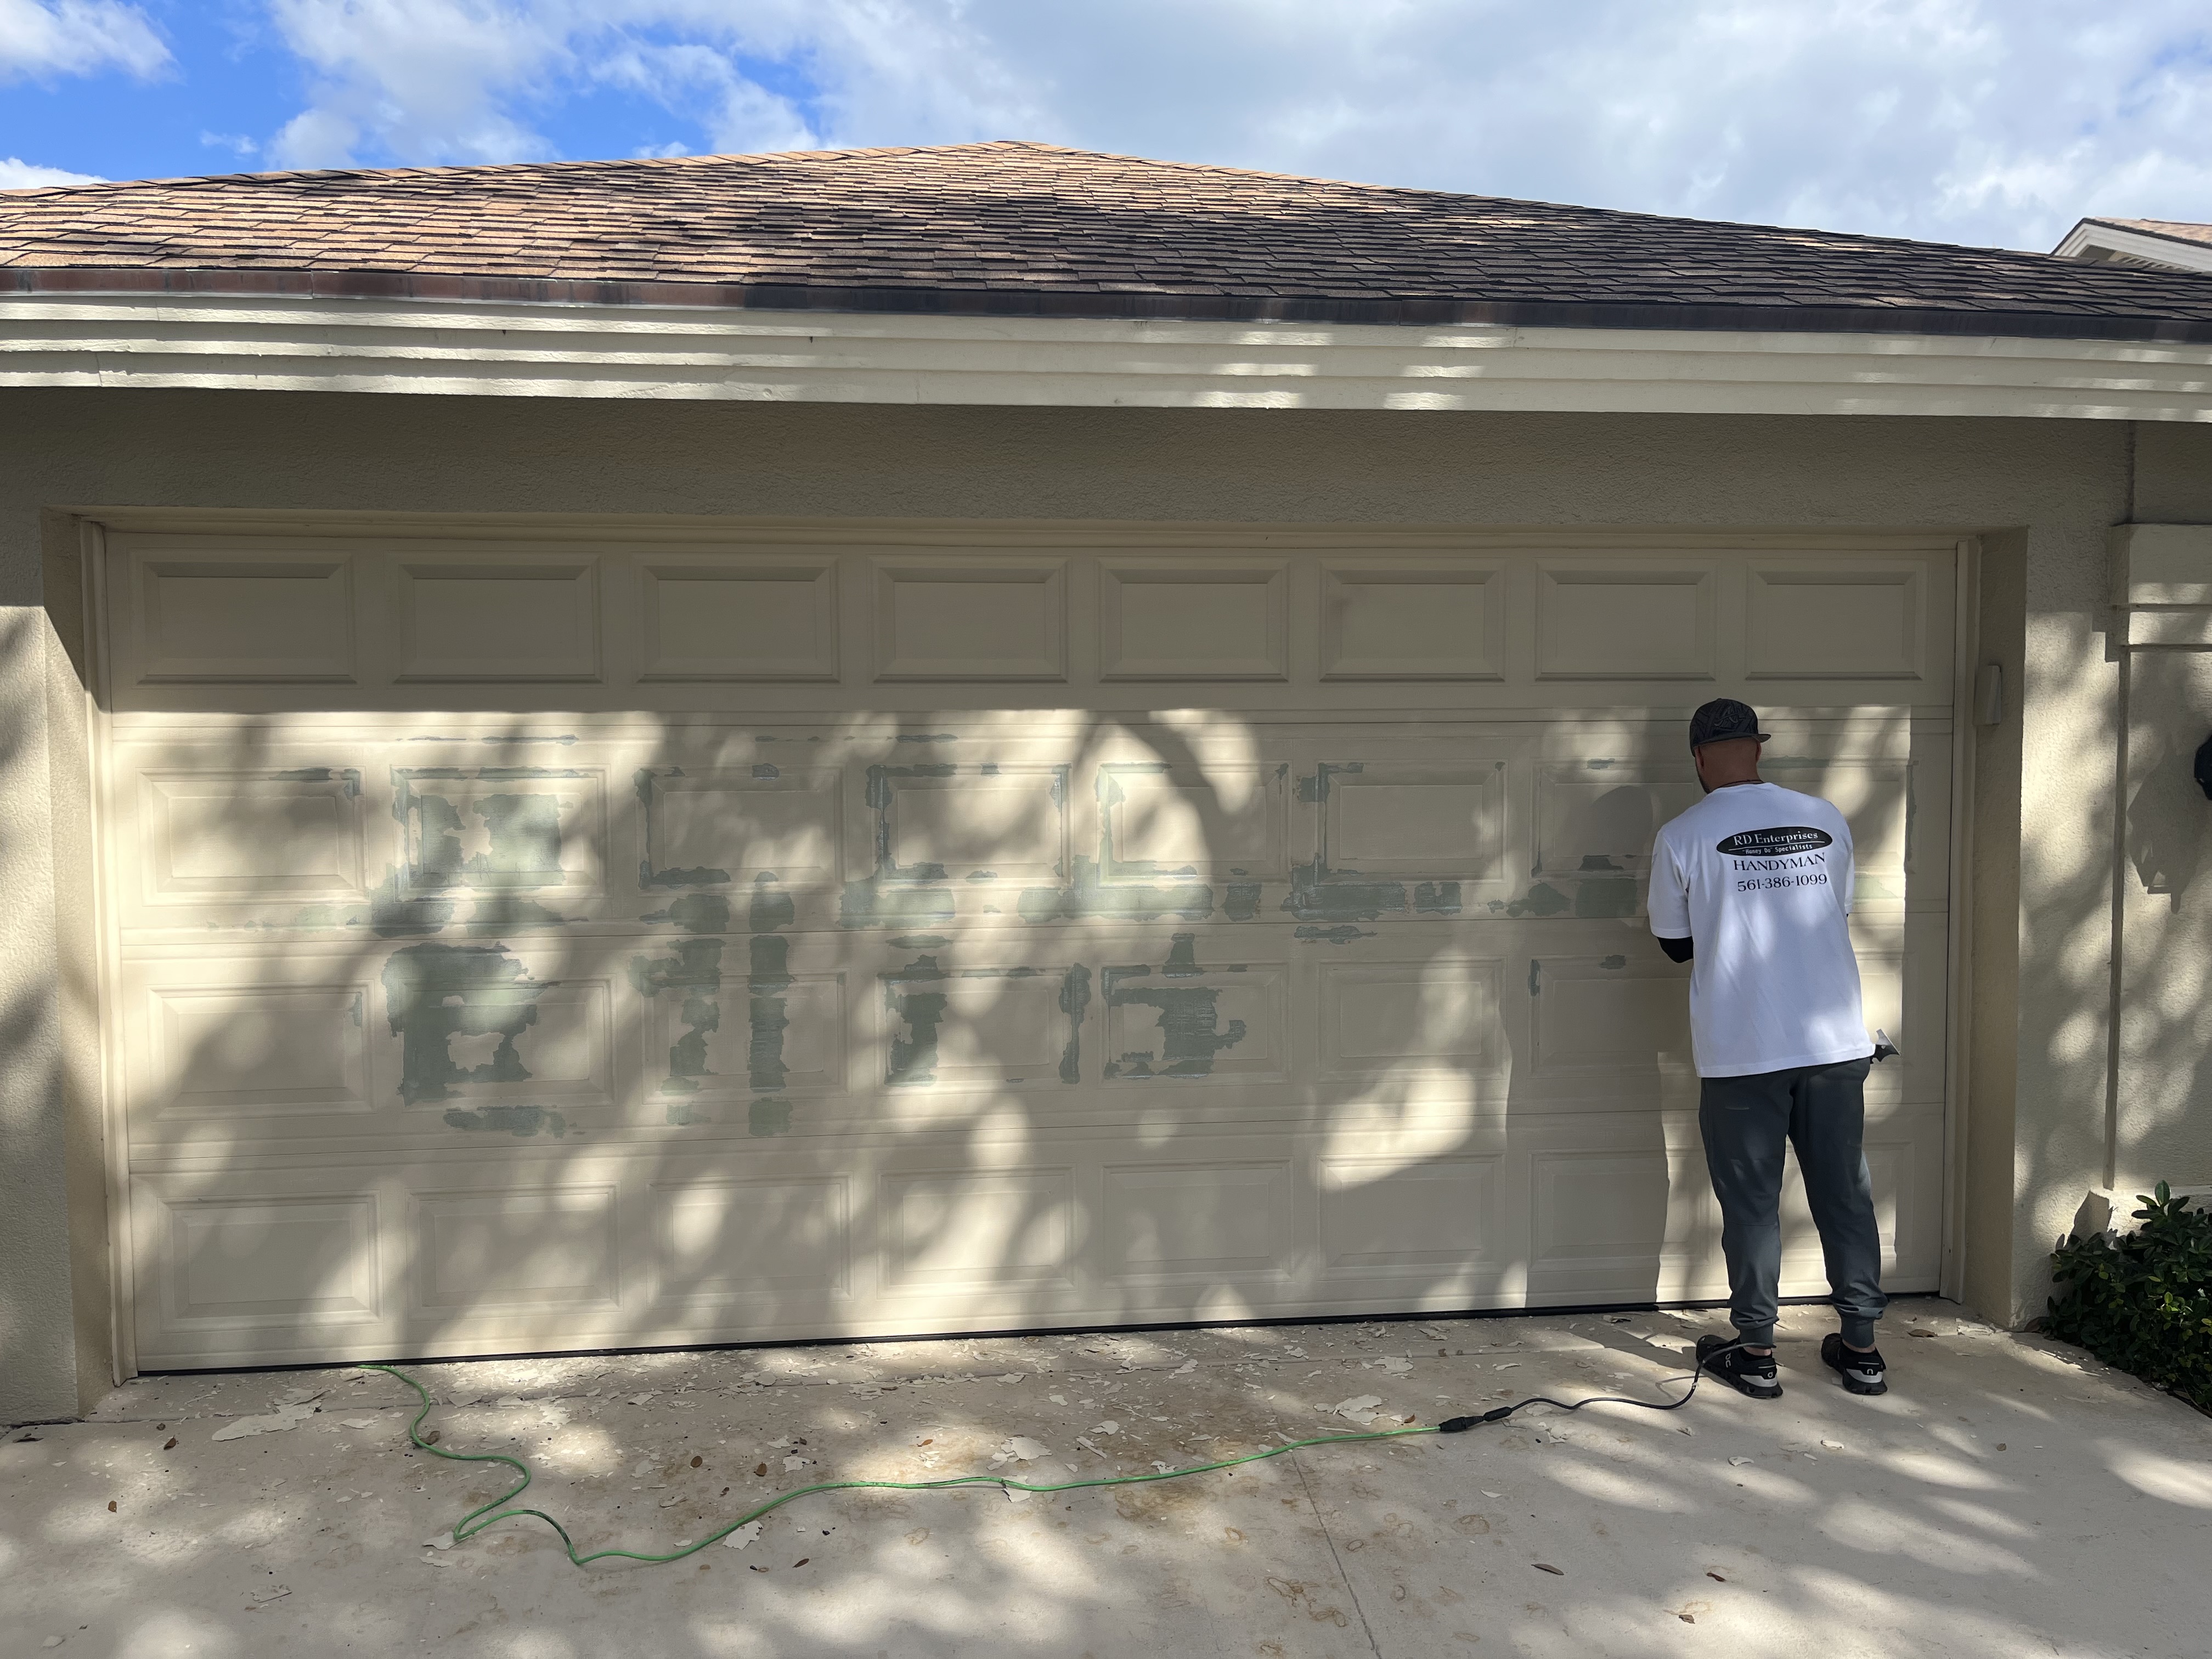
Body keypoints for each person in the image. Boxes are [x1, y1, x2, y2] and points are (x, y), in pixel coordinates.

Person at [1647, 698, 1888, 1399]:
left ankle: (1756, 1353)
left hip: (1743, 1049)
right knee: (1845, 1194)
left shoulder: (1682, 834)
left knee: (1752, 1204)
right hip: (1834, 1045)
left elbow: (1674, 945)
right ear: (1758, 748)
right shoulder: (1825, 818)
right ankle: (1863, 1350)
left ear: (1698, 757)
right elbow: (1834, 912)